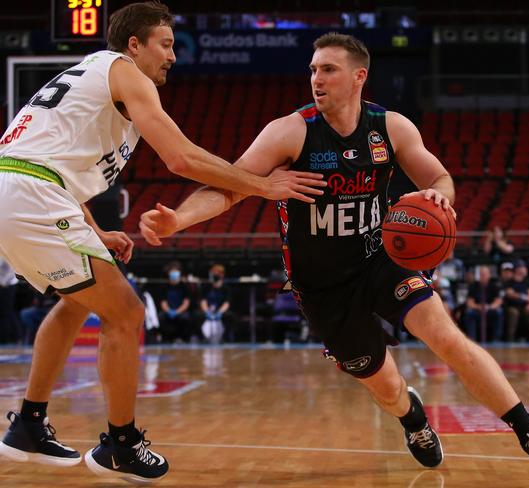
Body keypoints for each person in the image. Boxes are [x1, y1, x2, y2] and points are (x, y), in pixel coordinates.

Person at [139, 32, 529, 473]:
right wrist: (178, 219)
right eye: (312, 69)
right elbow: (228, 187)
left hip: (381, 259)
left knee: (446, 337)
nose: (316, 78)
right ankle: (413, 417)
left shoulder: (391, 127)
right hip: (322, 287)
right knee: (385, 386)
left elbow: (440, 177)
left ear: (358, 76)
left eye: (328, 69)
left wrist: (440, 196)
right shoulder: (290, 132)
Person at [0, 1, 324, 483]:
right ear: (135, 45)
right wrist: (262, 186)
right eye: (166, 45)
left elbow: (51, 160)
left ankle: (28, 425)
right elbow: (180, 158)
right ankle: (121, 444)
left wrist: (94, 229)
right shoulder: (124, 71)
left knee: (75, 303)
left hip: (25, 189)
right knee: (126, 313)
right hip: (29, 194)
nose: (173, 56)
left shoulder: (93, 77)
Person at [462, 266, 503, 342]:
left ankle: (496, 339)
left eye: (485, 274)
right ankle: (472, 339)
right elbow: (469, 302)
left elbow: (498, 301)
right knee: (469, 313)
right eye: (481, 274)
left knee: (499, 312)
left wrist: (489, 307)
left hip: (490, 310)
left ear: (489, 275)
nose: (483, 276)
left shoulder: (494, 285)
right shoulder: (474, 286)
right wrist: (478, 307)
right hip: (477, 310)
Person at [504, 260, 529, 342]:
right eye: (523, 268)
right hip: (512, 306)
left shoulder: (528, 281)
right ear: (518, 269)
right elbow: (510, 294)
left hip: (524, 306)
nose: (525, 269)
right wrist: (523, 296)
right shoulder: (510, 282)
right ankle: (510, 338)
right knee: (514, 312)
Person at [158, 261, 193, 343]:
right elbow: (163, 302)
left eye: (175, 271)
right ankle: (166, 339)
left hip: (180, 310)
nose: (174, 273)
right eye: (172, 271)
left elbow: (186, 303)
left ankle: (183, 338)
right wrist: (169, 311)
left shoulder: (184, 286)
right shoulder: (164, 286)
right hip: (168, 310)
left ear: (179, 273)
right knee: (161, 317)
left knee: (186, 317)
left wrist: (177, 312)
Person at [199, 264, 230, 344]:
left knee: (229, 317)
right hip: (208, 310)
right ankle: (201, 337)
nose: (215, 275)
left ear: (222, 275)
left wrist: (220, 312)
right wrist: (206, 312)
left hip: (220, 310)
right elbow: (203, 301)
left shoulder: (226, 287)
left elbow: (227, 302)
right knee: (197, 315)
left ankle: (225, 337)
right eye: (213, 273)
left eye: (217, 273)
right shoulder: (206, 286)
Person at [0, 257, 20, 344]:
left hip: (7, 285)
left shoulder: (5, 247)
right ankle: (15, 338)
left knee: (5, 313)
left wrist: (3, 283)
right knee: (7, 312)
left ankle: (6, 340)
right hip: (4, 283)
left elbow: (10, 267)